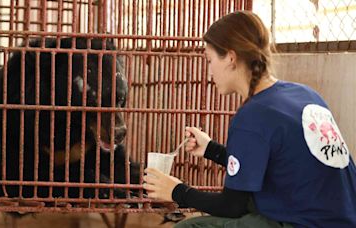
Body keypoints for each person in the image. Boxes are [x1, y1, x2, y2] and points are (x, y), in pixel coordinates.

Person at [143, 10, 356, 228]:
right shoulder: (304, 94)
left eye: (209, 60)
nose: (209, 72)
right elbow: (264, 164)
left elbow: (232, 205)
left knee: (188, 226)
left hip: (307, 223)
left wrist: (176, 191)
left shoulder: (253, 115)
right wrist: (211, 149)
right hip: (341, 217)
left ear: (231, 58)